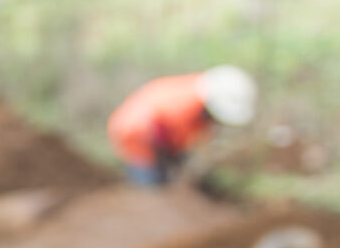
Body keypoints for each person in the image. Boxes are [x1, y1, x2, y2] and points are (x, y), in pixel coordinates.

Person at [106, 64, 259, 185]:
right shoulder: (180, 105)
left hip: (158, 134)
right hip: (135, 134)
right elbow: (154, 131)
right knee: (152, 181)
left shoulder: (200, 108)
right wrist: (166, 161)